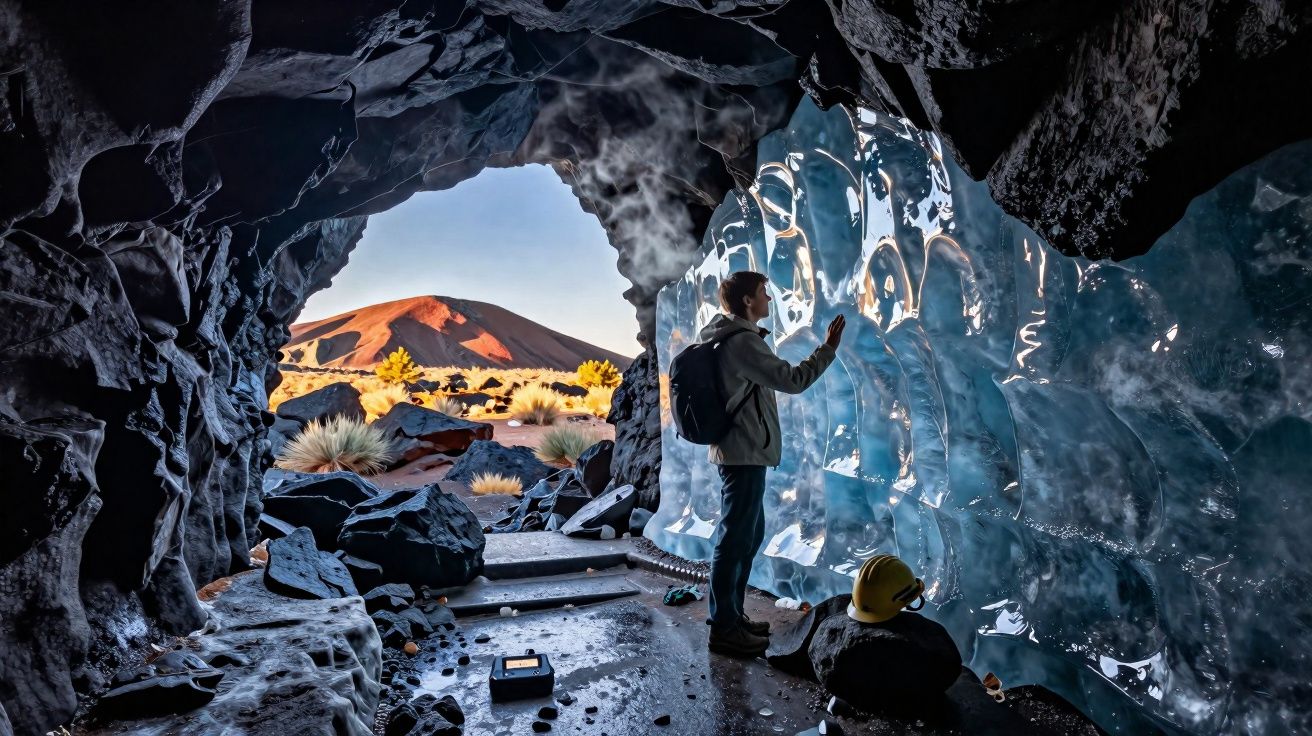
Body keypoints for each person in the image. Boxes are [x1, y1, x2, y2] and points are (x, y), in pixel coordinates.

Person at [700, 270, 845, 657]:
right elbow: (793, 379)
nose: (769, 299)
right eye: (764, 293)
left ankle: (732, 615)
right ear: (748, 301)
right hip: (743, 452)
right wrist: (828, 348)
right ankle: (724, 627)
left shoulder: (732, 340)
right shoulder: (742, 343)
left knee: (746, 535)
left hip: (741, 450)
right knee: (734, 539)